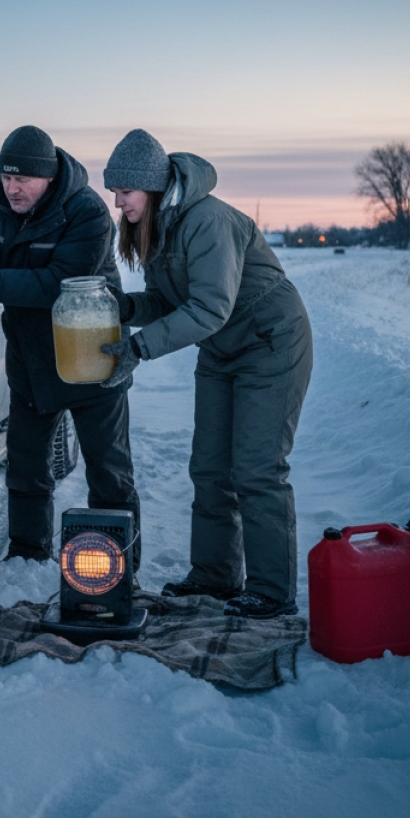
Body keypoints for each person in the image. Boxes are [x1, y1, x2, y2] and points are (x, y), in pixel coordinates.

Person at [98, 129, 312, 619]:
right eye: (114, 192)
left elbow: (210, 307)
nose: (118, 202)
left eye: (124, 192)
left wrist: (138, 348)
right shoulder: (159, 225)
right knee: (210, 469)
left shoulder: (208, 220)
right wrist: (128, 307)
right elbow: (171, 301)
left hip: (269, 342)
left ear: (150, 188)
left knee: (257, 469)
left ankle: (271, 591)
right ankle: (215, 579)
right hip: (220, 351)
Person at [0, 126, 140, 567]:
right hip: (31, 358)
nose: (12, 188)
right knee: (26, 469)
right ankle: (26, 559)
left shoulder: (86, 212)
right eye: (7, 177)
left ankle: (121, 571)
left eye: (24, 180)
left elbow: (61, 283)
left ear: (49, 178)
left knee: (109, 474)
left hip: (91, 357)